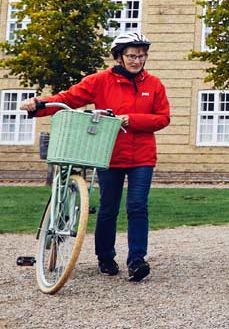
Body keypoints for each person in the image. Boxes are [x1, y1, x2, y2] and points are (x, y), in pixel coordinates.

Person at [20, 32, 171, 282]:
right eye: (132, 56)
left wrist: (131, 119)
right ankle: (105, 257)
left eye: (141, 56)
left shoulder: (154, 84)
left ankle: (137, 260)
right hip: (108, 154)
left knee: (137, 206)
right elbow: (68, 98)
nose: (137, 61)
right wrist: (39, 104)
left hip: (142, 157)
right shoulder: (100, 81)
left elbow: (163, 118)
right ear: (119, 57)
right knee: (108, 207)